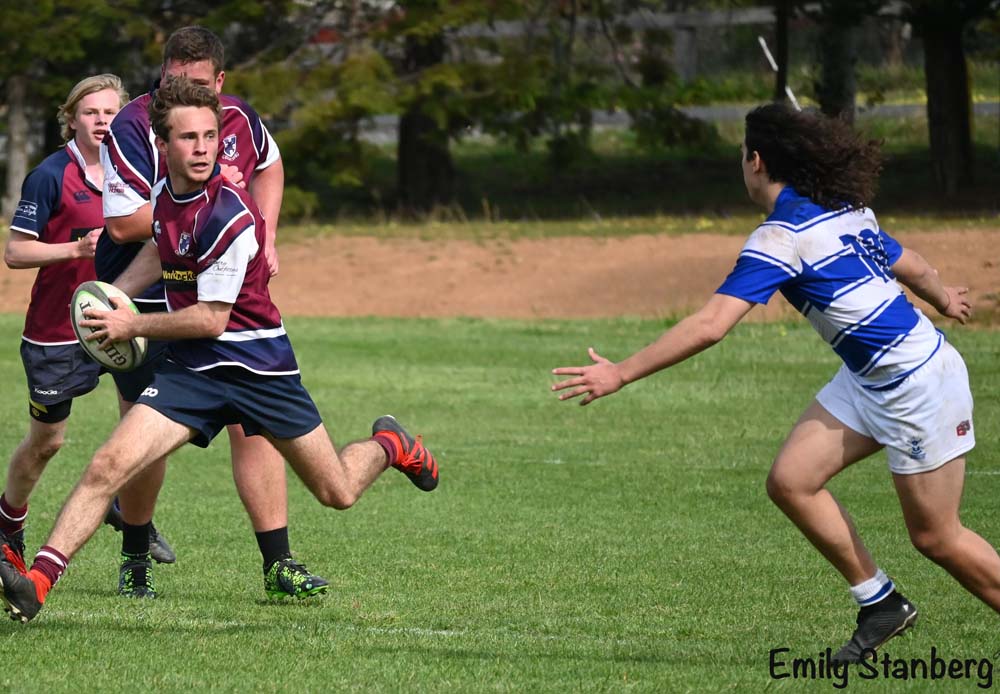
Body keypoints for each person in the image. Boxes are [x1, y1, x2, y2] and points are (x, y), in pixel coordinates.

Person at [551, 103, 1000, 662]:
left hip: (916, 385)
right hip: (871, 378)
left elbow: (711, 325)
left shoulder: (781, 238)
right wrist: (942, 297)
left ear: (757, 161)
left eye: (742, 154)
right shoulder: (843, 209)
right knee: (792, 481)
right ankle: (880, 602)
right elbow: (911, 263)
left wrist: (620, 372)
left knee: (936, 537)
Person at [0, 77, 439, 623]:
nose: (203, 148)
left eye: (210, 136)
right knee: (108, 463)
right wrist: (117, 294)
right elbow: (161, 250)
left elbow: (211, 319)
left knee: (338, 491)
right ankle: (37, 584)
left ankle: (391, 444)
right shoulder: (166, 196)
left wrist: (130, 323)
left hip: (258, 368)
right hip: (194, 371)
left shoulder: (229, 214)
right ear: (163, 146)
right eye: (189, 138)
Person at [98, 26, 309, 599]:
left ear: (219, 83)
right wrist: (210, 195)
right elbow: (122, 225)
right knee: (145, 437)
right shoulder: (133, 126)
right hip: (146, 298)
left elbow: (270, 165)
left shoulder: (238, 118)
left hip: (220, 301)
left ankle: (279, 563)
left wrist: (264, 233)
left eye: (196, 83)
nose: (182, 93)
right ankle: (135, 556)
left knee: (252, 424)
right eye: (173, 81)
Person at [0, 74, 128, 562]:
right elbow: (15, 252)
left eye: (111, 112)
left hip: (121, 323)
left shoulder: (134, 171)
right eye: (91, 112)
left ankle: (125, 506)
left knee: (150, 418)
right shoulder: (50, 175)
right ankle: (8, 522)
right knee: (47, 443)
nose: (102, 121)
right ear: (71, 119)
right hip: (56, 332)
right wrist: (76, 249)